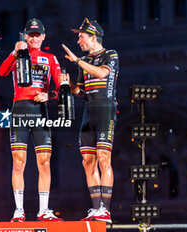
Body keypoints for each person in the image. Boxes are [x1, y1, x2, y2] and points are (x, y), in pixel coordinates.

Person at [0, 18, 62, 222]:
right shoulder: (19, 55)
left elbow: (62, 87)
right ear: (25, 36)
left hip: (41, 112)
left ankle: (44, 210)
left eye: (38, 35)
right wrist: (13, 52)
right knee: (19, 162)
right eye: (30, 35)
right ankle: (19, 210)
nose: (34, 38)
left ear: (43, 36)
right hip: (20, 109)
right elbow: (2, 72)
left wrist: (49, 95)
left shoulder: (50, 58)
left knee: (44, 162)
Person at [61, 18, 119, 224]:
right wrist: (68, 84)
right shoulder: (83, 61)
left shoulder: (110, 54)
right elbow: (81, 91)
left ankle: (106, 209)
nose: (78, 41)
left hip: (105, 110)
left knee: (104, 157)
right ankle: (96, 209)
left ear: (93, 36)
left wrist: (77, 61)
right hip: (88, 111)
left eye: (81, 36)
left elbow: (102, 74)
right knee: (87, 161)